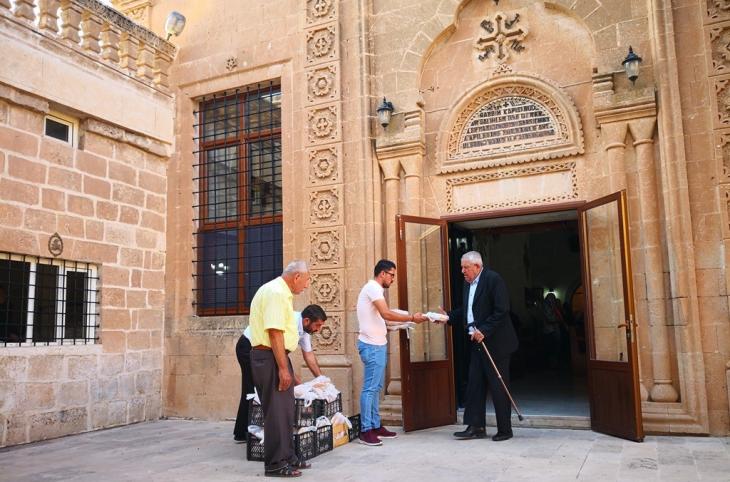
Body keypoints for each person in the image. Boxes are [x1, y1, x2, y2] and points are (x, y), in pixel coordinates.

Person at [444, 251, 518, 442]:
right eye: (462, 267)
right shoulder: (467, 284)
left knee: (498, 386)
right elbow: (468, 311)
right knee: (474, 384)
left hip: (496, 344)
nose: (462, 271)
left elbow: (502, 309)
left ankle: (505, 429)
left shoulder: (493, 279)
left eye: (465, 267)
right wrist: (448, 317)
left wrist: (484, 330)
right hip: (476, 343)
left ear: (477, 266)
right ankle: (476, 427)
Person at [248, 260, 311, 477]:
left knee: (284, 410)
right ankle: (275, 463)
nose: (306, 286)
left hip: (276, 356)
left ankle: (288, 456)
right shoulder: (275, 292)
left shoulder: (280, 292)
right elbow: (275, 333)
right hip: (270, 357)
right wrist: (284, 369)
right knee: (276, 412)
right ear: (296, 277)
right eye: (306, 280)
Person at [356, 259, 428, 446]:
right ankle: (365, 431)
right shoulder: (372, 288)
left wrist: (403, 323)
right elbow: (386, 314)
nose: (393, 279)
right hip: (372, 346)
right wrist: (411, 317)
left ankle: (376, 425)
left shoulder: (375, 290)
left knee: (376, 388)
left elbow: (382, 320)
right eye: (392, 275)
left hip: (377, 345)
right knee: (370, 389)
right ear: (383, 274)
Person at [233, 304, 327, 443]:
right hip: (249, 346)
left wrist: (321, 379)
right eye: (317, 325)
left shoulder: (305, 330)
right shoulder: (290, 323)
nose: (318, 329)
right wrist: (296, 381)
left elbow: (309, 356)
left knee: (261, 389)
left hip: (266, 351)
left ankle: (248, 430)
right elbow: (279, 355)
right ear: (307, 321)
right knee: (252, 389)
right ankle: (243, 432)